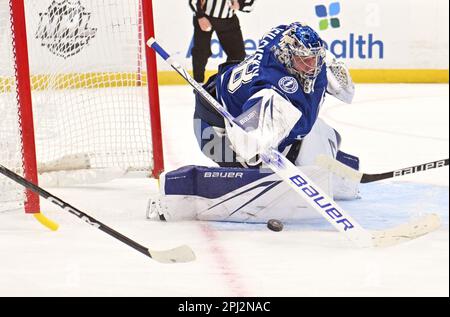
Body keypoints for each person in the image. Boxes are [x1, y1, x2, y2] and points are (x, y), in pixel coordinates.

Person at [147, 22, 358, 223]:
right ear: (288, 56)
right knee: (259, 161)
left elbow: (344, 91)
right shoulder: (270, 88)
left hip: (237, 101)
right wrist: (256, 144)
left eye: (314, 58)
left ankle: (311, 169)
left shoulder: (288, 46)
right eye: (305, 60)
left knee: (319, 133)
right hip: (213, 129)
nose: (312, 66)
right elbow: (248, 147)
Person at [189, 0, 257, 83]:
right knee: (201, 52)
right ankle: (198, 84)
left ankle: (226, 84)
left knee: (238, 54)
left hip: (228, 19)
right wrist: (200, 16)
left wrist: (240, 4)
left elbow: (250, 4)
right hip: (205, 16)